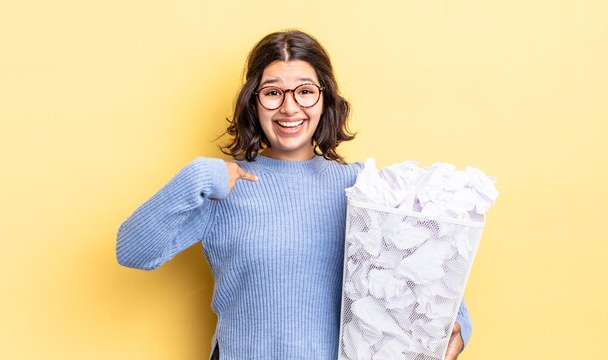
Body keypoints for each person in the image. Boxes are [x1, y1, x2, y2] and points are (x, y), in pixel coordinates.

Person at [116, 30, 471, 360]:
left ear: (324, 99)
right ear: (253, 102)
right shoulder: (222, 188)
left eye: (304, 91)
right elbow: (132, 251)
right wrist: (197, 176)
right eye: (273, 92)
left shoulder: (361, 186)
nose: (289, 107)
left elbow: (430, 269)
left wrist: (459, 325)